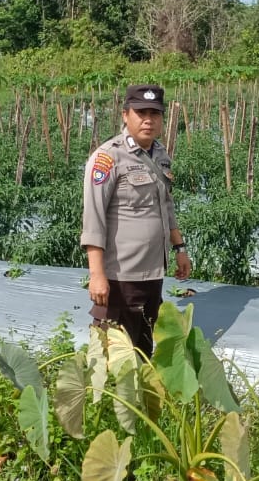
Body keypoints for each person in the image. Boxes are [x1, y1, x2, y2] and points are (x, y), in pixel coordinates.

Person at [81, 84, 190, 357]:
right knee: (114, 354)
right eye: (141, 112)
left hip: (153, 272)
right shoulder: (107, 158)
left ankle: (139, 397)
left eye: (155, 113)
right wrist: (96, 275)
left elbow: (166, 205)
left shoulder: (160, 155)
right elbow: (93, 218)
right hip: (121, 275)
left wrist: (180, 248)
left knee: (143, 348)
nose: (148, 120)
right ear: (125, 114)